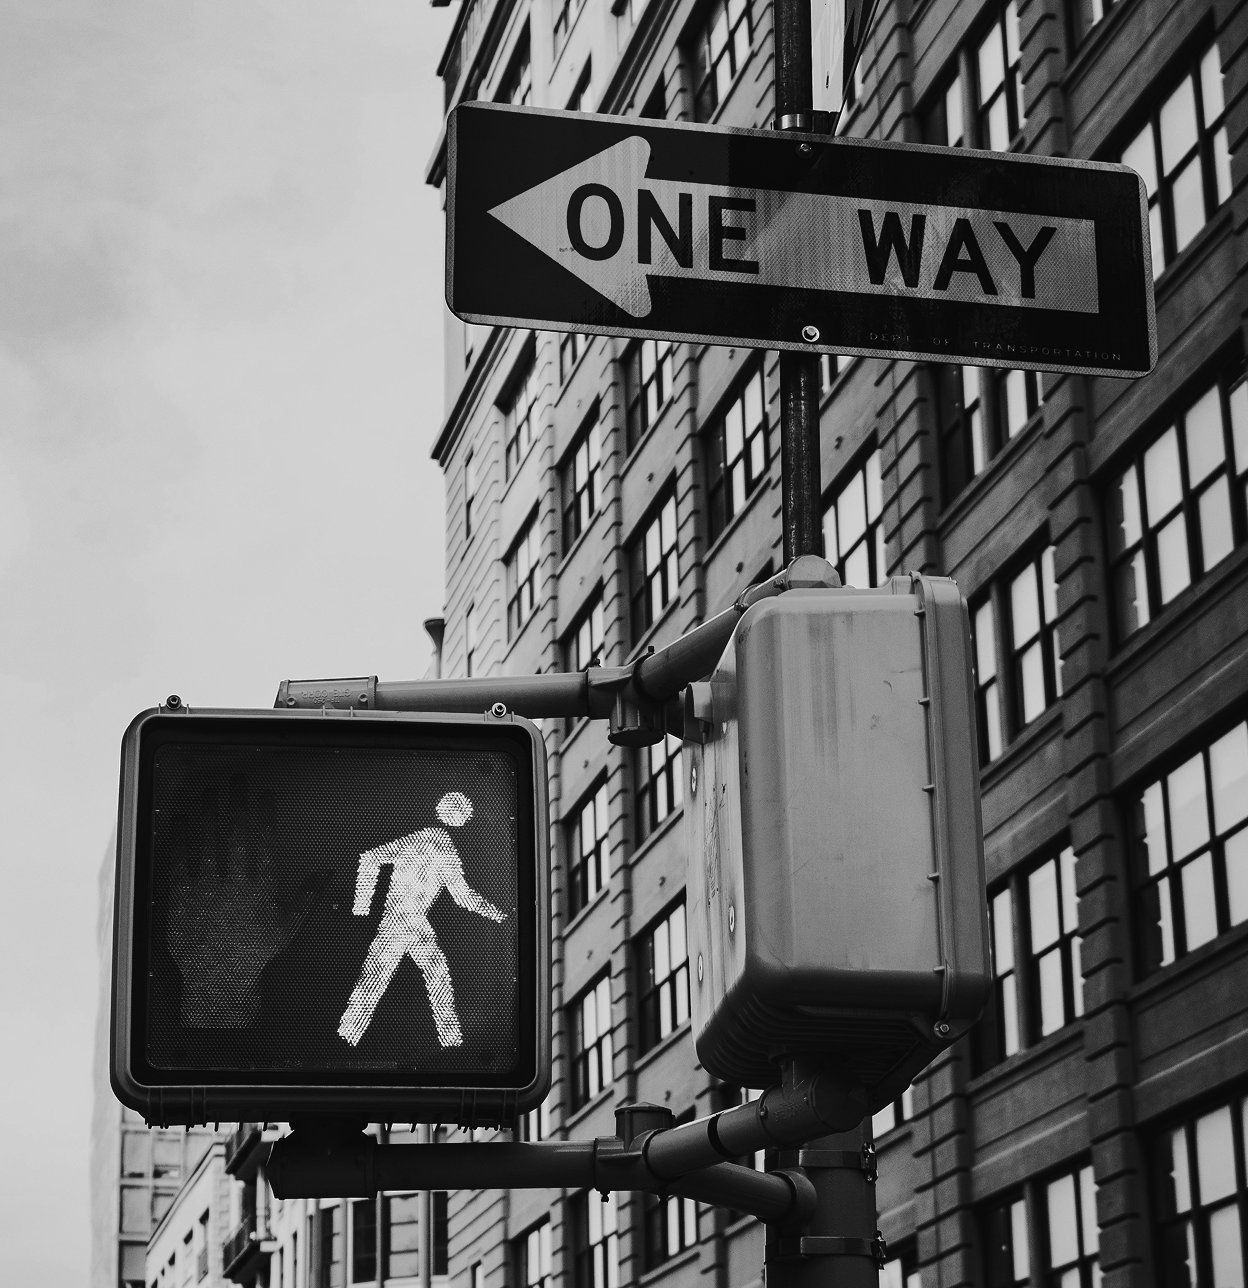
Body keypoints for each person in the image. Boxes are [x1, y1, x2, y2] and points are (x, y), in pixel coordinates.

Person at [338, 791, 505, 1048]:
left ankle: (450, 1041)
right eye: (461, 815)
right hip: (401, 920)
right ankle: (348, 1035)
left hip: (411, 921)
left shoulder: (433, 845)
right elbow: (371, 858)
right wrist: (361, 907)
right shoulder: (430, 844)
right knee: (381, 978)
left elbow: (461, 896)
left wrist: (363, 910)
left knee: (428, 974)